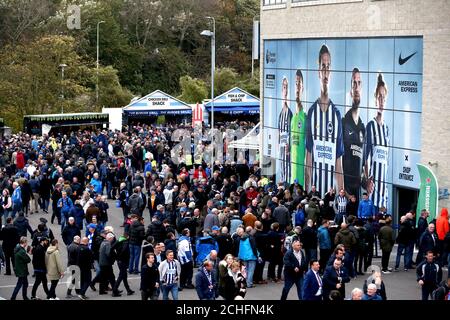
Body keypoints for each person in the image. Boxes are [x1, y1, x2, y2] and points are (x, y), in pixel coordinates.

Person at [305, 44, 344, 196]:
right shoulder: (311, 112)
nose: (326, 71)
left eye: (328, 67)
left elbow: (338, 164)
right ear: (318, 72)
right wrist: (308, 190)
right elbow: (308, 159)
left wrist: (341, 195)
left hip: (331, 195)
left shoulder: (336, 114)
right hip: (314, 193)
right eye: (323, 67)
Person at [363, 73, 390, 211]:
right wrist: (367, 180)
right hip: (374, 188)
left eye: (383, 97)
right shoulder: (370, 126)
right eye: (379, 97)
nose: (381, 100)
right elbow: (364, 157)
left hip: (385, 187)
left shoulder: (386, 129)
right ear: (375, 99)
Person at [342, 68, 366, 200]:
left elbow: (361, 165)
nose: (356, 87)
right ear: (350, 91)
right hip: (345, 193)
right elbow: (337, 163)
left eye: (359, 83)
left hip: (358, 195)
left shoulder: (363, 127)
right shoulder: (343, 123)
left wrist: (365, 182)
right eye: (353, 83)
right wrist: (344, 192)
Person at [290, 69, 306, 185]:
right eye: (296, 83)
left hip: (302, 177)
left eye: (299, 84)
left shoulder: (305, 117)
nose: (297, 87)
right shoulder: (293, 117)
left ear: (303, 89)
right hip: (292, 176)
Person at [278, 76, 293, 183]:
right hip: (281, 146)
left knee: (287, 167)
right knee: (281, 165)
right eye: (284, 87)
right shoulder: (281, 113)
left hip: (287, 148)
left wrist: (289, 146)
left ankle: (286, 182)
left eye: (286, 87)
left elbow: (292, 133)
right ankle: (283, 181)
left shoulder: (289, 113)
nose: (285, 90)